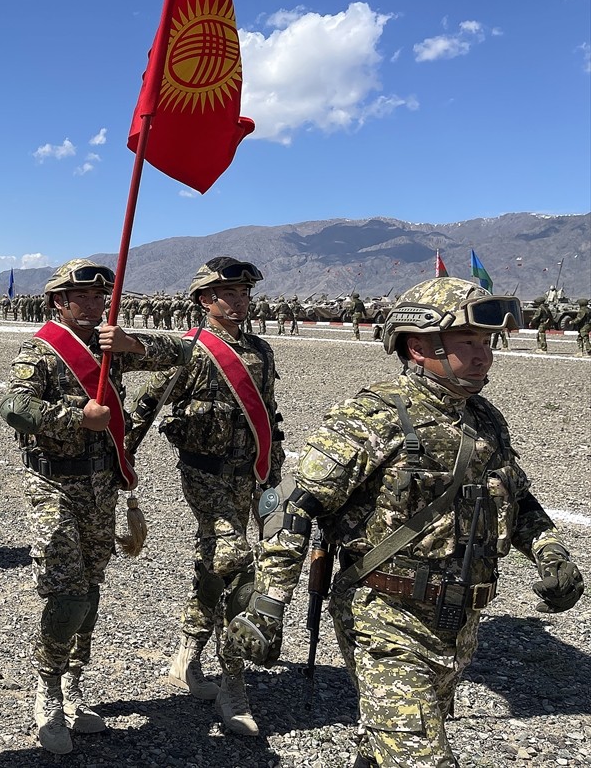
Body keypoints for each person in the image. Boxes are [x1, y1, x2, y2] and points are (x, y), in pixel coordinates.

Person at [224, 277, 584, 768]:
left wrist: (551, 553)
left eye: (486, 343)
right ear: (418, 346)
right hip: (385, 619)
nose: (484, 357)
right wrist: (267, 605)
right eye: (468, 343)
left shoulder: (485, 419)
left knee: (381, 749)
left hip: (458, 624)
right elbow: (293, 506)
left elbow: (516, 498)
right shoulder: (373, 416)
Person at [0, 259, 199, 755]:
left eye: (99, 297)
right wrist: (75, 417)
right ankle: (47, 690)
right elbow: (14, 408)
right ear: (58, 302)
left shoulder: (109, 348)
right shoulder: (40, 351)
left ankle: (73, 682)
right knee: (66, 593)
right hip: (53, 485)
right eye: (82, 297)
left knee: (89, 589)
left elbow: (187, 351)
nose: (93, 305)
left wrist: (132, 345)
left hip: (101, 487)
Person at [127, 257, 285, 736]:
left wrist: (273, 476)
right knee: (238, 565)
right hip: (205, 475)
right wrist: (121, 461)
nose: (239, 303)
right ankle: (233, 684)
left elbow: (269, 414)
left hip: (250, 475)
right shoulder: (191, 350)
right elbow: (146, 406)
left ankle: (188, 650)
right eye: (228, 295)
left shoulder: (260, 351)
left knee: (213, 565)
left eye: (244, 294)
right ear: (204, 300)